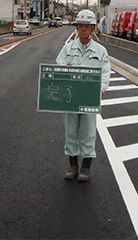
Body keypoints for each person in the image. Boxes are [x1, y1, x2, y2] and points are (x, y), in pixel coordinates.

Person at [55, 10, 111, 181]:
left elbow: (106, 73)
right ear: (77, 28)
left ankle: (86, 167)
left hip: (88, 99)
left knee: (88, 132)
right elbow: (58, 66)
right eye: (81, 26)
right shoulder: (67, 48)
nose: (83, 30)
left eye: (87, 27)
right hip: (71, 99)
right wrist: (65, 68)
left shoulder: (101, 51)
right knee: (71, 132)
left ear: (93, 28)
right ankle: (72, 165)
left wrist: (101, 90)